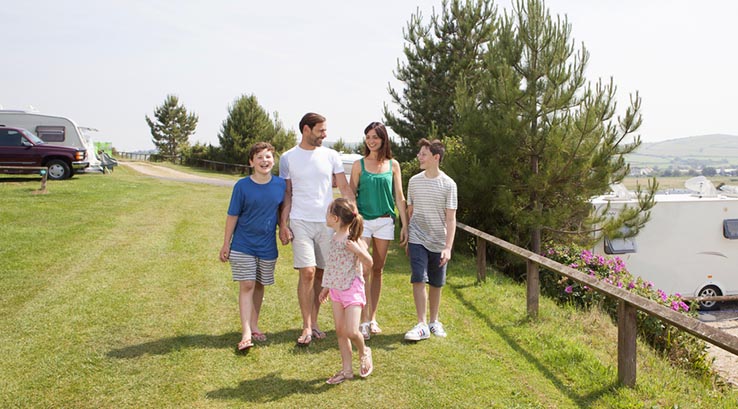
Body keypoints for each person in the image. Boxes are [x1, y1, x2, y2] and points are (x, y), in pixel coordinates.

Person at [279, 112, 354, 346]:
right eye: (321, 130)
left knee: (322, 273)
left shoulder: (331, 156)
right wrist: (283, 223)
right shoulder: (288, 158)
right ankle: (306, 326)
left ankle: (315, 321)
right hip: (300, 220)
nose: (325, 134)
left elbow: (343, 187)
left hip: (328, 223)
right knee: (308, 272)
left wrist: (354, 215)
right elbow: (287, 193)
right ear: (306, 130)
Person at [219, 142, 287, 351]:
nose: (264, 161)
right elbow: (233, 215)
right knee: (247, 284)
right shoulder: (242, 186)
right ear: (251, 162)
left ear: (273, 160)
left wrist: (284, 227)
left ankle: (255, 324)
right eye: (259, 157)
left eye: (267, 157)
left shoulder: (281, 185)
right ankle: (246, 332)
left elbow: (282, 210)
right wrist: (226, 243)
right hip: (243, 244)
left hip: (267, 245)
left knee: (259, 284)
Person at [349, 122, 407, 340]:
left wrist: (405, 226)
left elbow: (399, 197)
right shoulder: (358, 165)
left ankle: (372, 318)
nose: (371, 140)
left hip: (385, 221)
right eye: (368, 136)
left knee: (378, 270)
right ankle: (362, 319)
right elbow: (351, 193)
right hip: (363, 222)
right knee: (363, 269)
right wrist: (354, 216)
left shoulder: (393, 165)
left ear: (383, 139)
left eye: (375, 137)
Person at [403, 138, 458, 341]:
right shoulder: (414, 181)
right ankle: (421, 323)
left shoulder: (449, 185)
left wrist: (448, 247)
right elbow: (411, 210)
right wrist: (409, 234)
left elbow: (451, 218)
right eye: (419, 154)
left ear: (436, 157)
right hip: (417, 238)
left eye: (423, 154)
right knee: (418, 277)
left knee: (436, 283)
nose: (419, 157)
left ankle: (434, 321)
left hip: (438, 241)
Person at [318, 198, 374, 384]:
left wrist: (358, 251)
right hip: (336, 290)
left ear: (334, 218)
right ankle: (347, 370)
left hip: (352, 289)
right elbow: (333, 266)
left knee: (351, 331)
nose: (325, 216)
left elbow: (369, 262)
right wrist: (326, 288)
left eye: (327, 212)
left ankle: (364, 351)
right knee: (341, 332)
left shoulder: (353, 239)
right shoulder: (333, 239)